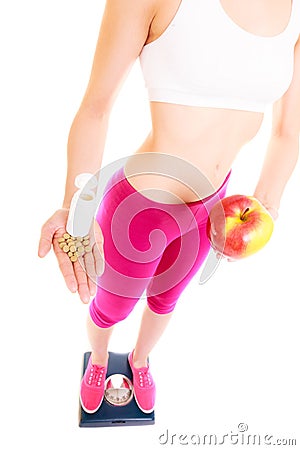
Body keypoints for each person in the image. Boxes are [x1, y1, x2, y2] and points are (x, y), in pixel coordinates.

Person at [38, 0, 300, 415]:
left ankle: (140, 361)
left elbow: (288, 130)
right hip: (139, 209)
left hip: (214, 209)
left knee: (166, 301)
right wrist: (76, 210)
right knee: (112, 307)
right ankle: (100, 360)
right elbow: (96, 107)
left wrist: (266, 203)